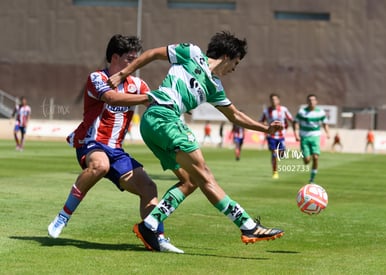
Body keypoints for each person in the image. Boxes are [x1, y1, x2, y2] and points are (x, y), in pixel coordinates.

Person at [108, 31, 285, 251]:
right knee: (205, 175)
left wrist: (265, 128)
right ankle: (247, 225)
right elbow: (153, 54)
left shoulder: (215, 86)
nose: (234, 69)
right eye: (236, 63)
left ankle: (150, 224)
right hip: (163, 116)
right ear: (228, 55)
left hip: (155, 123)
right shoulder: (191, 52)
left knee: (189, 181)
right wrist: (123, 74)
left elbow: (235, 115)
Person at [47, 34, 183, 253]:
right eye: (131, 59)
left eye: (137, 59)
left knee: (149, 187)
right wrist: (151, 97)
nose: (135, 63)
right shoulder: (97, 78)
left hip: (117, 151)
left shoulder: (138, 85)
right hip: (91, 143)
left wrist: (176, 105)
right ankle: (63, 216)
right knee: (100, 165)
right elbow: (111, 98)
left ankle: (158, 237)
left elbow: (156, 109)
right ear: (115, 57)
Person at [293, 94, 330, 184]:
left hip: (315, 136)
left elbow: (325, 123)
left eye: (313, 100)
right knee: (307, 161)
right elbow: (296, 122)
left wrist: (327, 132)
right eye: (309, 100)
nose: (311, 102)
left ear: (316, 102)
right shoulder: (302, 112)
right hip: (304, 137)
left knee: (316, 157)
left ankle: (312, 179)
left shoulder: (320, 112)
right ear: (307, 102)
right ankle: (306, 157)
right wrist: (296, 134)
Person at [259, 94, 293, 179]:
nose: (273, 101)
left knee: (281, 154)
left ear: (278, 100)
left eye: (275, 99)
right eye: (272, 100)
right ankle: (275, 172)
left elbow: (291, 119)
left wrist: (295, 129)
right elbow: (260, 121)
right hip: (271, 136)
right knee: (274, 154)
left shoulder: (283, 110)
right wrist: (266, 126)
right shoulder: (266, 111)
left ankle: (283, 151)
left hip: (281, 136)